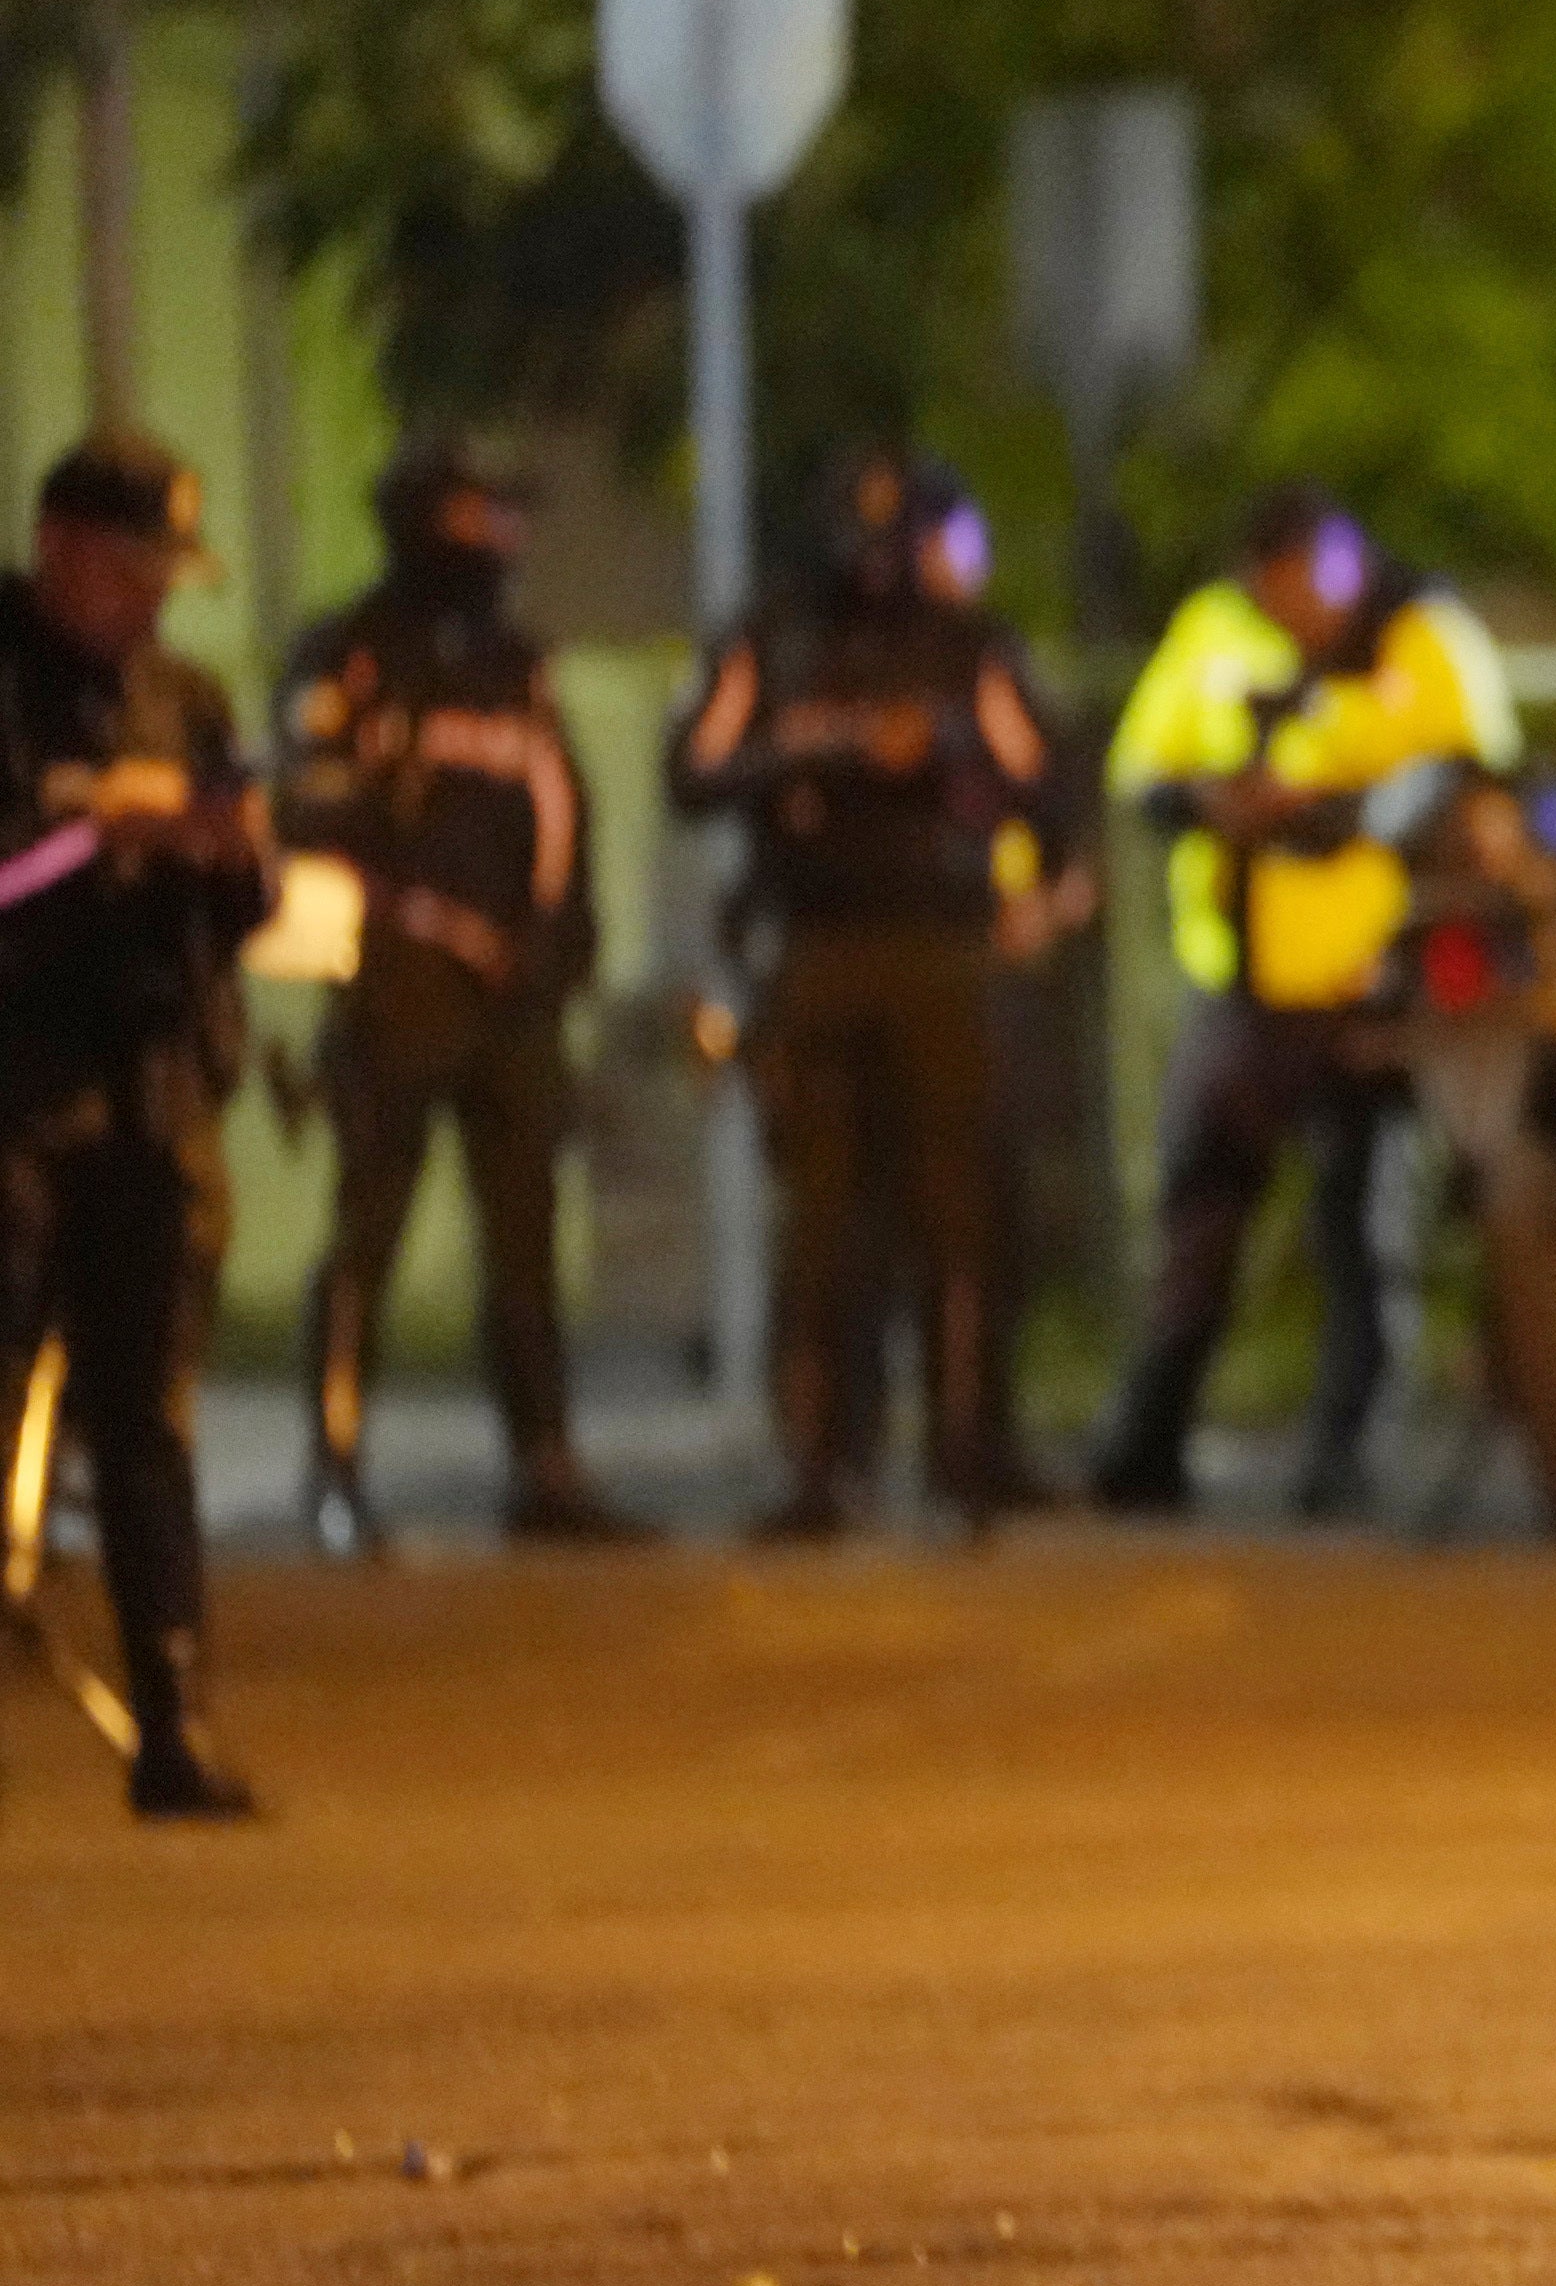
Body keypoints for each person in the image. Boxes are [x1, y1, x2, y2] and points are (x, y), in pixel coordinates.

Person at [1086, 487, 1520, 1517]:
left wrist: (1340, 807)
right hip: (1246, 983)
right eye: (1270, 586)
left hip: (1378, 982)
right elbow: (1144, 773)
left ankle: (1348, 1455)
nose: (1291, 609)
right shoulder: (1215, 631)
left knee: (1365, 1228)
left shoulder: (1422, 631)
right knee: (1200, 1216)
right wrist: (1214, 801)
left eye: (1302, 584)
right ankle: (1147, 1445)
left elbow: (1477, 775)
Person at [668, 448, 1061, 1540]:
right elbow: (691, 773)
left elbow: (1040, 776)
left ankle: (964, 1453)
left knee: (956, 1210)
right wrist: (820, 754)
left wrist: (941, 753)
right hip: (813, 947)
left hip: (939, 946)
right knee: (823, 1221)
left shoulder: (966, 647)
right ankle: (822, 1462)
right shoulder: (772, 639)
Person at [277, 441, 649, 1553]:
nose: (505, 539)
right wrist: (410, 904)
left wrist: (556, 947)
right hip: (397, 986)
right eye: (483, 514)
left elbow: (564, 820)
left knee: (525, 1238)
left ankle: (546, 1464)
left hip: (515, 1000)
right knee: (369, 1232)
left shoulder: (516, 665)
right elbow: (303, 806)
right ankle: (335, 1466)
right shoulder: (349, 654)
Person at [0, 436, 269, 1816]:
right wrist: (98, 835)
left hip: (152, 1097)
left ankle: (176, 1722)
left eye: (169, 574)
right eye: (131, 569)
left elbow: (249, 901)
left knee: (147, 1423)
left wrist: (226, 851)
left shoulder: (183, 699)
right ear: (61, 549)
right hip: (16, 1094)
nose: (152, 599)